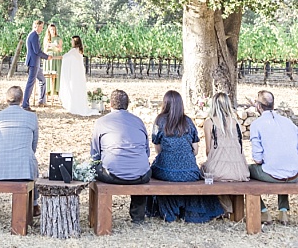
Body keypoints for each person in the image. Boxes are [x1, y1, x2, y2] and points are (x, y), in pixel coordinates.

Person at [147, 90, 224, 223]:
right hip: (190, 172)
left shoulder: (159, 121)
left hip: (166, 171)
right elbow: (195, 150)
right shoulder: (188, 121)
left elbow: (158, 149)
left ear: (165, 104)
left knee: (152, 171)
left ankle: (168, 210)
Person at [90, 89, 151, 223]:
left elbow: (95, 154)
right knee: (139, 166)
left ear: (110, 104)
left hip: (112, 175)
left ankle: (99, 214)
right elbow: (147, 153)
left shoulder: (101, 122)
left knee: (93, 168)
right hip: (140, 176)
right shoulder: (139, 122)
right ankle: (138, 216)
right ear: (127, 104)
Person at [0, 86, 40, 217]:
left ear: (6, 99)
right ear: (22, 99)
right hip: (24, 168)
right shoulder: (31, 117)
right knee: (31, 162)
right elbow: (33, 145)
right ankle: (35, 204)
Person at [248, 89, 298, 217]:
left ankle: (263, 211)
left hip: (273, 174)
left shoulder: (257, 124)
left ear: (258, 106)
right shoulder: (288, 122)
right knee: (283, 165)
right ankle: (283, 211)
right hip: (294, 173)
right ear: (273, 105)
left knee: (245, 171)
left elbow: (257, 159)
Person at [202, 91, 249, 213]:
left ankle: (226, 207)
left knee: (204, 170)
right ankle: (232, 208)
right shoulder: (236, 122)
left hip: (218, 172)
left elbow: (208, 150)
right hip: (240, 171)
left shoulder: (209, 122)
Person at [59, 36, 97, 116]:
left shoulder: (73, 51)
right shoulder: (79, 50)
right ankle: (79, 104)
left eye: (72, 41)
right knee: (79, 88)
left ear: (75, 42)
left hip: (74, 74)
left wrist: (52, 57)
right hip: (79, 74)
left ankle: (74, 106)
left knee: (74, 88)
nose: (71, 42)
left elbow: (64, 57)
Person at [22, 19, 49, 110]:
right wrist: (47, 57)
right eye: (41, 27)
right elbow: (37, 51)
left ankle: (41, 100)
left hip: (35, 62)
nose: (42, 29)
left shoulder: (32, 35)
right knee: (30, 83)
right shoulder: (34, 36)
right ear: (36, 26)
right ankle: (25, 104)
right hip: (33, 63)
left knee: (42, 80)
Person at [42, 22, 62, 99]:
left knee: (57, 74)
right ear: (49, 30)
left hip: (56, 57)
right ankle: (48, 91)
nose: (53, 31)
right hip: (49, 58)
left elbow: (60, 49)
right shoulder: (46, 39)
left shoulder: (58, 38)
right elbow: (44, 50)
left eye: (54, 29)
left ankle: (56, 91)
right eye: (51, 30)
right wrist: (48, 46)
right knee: (48, 74)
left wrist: (56, 46)